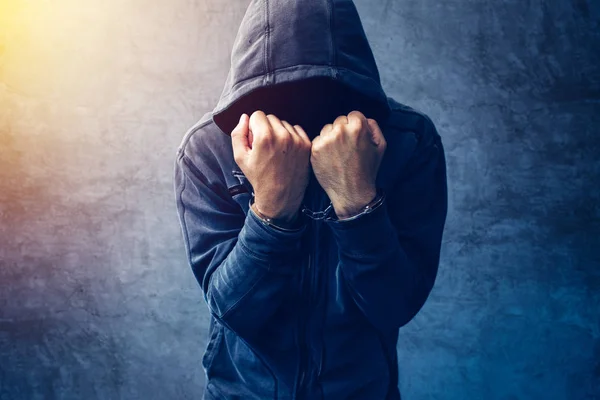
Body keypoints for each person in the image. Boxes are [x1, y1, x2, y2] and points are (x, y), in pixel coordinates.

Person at [173, 0, 448, 399]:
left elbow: (394, 307)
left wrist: (356, 201)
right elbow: (234, 312)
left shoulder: (409, 142)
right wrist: (271, 206)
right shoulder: (207, 149)